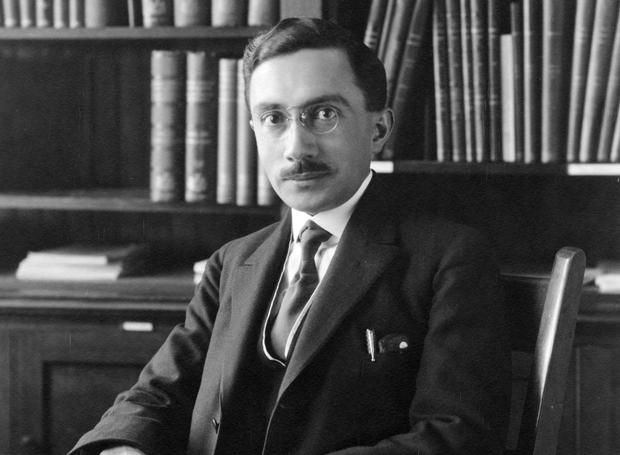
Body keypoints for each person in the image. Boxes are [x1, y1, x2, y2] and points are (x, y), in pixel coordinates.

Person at [70, 17, 510, 455]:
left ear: (378, 129)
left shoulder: (446, 259)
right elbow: (159, 393)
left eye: (324, 114)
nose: (297, 148)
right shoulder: (232, 262)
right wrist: (124, 447)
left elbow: (457, 436)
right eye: (274, 118)